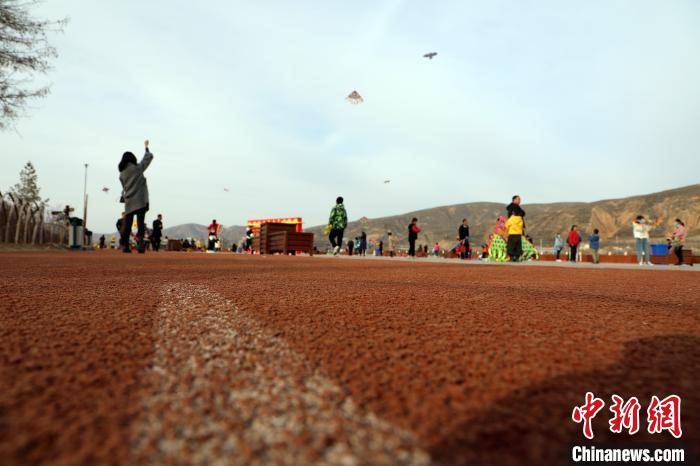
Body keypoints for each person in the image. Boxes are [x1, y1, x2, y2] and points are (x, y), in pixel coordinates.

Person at [118, 140, 154, 253]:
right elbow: (147, 159)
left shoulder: (121, 174)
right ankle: (140, 245)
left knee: (127, 225)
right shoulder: (137, 168)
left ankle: (125, 246)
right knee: (140, 224)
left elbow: (124, 187)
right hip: (140, 200)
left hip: (129, 201)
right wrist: (146, 148)